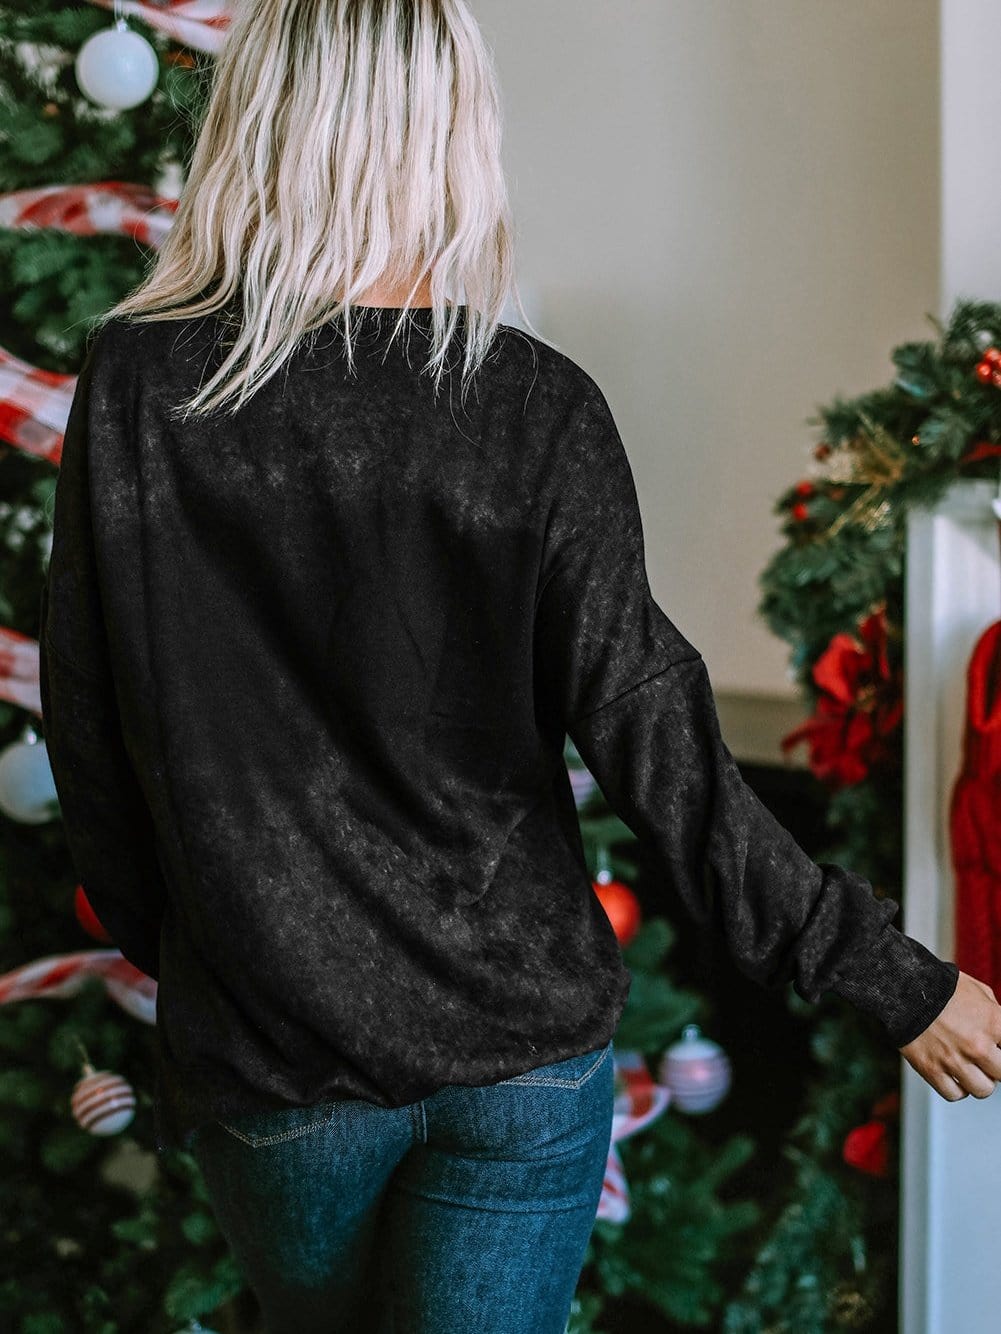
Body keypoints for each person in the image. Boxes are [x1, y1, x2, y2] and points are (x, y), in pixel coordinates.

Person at [37, 1, 1001, 1331]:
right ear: (453, 131)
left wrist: (214, 958)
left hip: (272, 1065)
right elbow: (658, 741)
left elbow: (88, 733)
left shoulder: (139, 388)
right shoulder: (533, 407)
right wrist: (889, 976)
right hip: (518, 1052)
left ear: (258, 120)